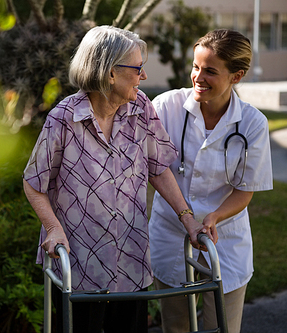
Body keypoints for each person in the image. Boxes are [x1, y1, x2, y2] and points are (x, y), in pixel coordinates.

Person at [22, 25, 211, 333]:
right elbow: (33, 183)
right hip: (79, 263)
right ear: (110, 73)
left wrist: (187, 219)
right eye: (137, 69)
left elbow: (159, 168)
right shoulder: (64, 118)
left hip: (131, 259)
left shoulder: (141, 109)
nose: (144, 76)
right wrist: (53, 228)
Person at [149, 29, 273, 333]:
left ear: (237, 76)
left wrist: (215, 216)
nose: (198, 77)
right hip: (171, 232)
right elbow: (153, 168)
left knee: (224, 326)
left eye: (210, 71)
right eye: (196, 66)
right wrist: (188, 217)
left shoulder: (253, 123)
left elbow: (245, 190)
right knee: (176, 326)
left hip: (225, 240)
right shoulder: (166, 107)